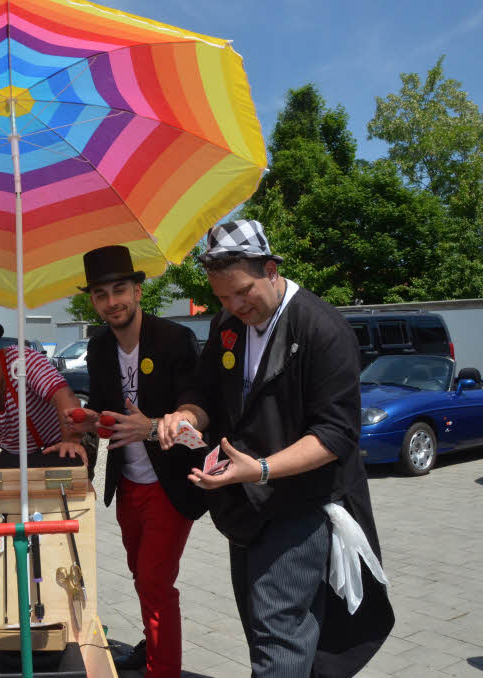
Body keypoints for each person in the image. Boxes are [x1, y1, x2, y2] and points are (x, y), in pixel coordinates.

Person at [179, 220, 394, 677]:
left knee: (278, 637)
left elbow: (336, 435)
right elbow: (204, 390)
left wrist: (258, 468)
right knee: (267, 630)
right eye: (222, 298)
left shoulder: (323, 329)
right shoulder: (227, 326)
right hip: (245, 505)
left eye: (242, 292)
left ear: (271, 269)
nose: (235, 307)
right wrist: (185, 416)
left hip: (301, 506)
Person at [64, 245, 206, 678]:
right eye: (102, 294)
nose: (112, 302)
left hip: (170, 483)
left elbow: (199, 414)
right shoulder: (99, 346)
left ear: (139, 290)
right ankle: (152, 648)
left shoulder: (174, 339)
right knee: (140, 575)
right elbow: (111, 417)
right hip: (127, 483)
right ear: (94, 300)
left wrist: (159, 423)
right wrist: (91, 421)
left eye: (120, 289)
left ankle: (163, 669)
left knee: (155, 582)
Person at [0, 299, 90, 470]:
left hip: (63, 441)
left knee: (74, 491)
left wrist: (70, 442)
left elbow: (65, 397)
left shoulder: (21, 360)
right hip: (15, 454)